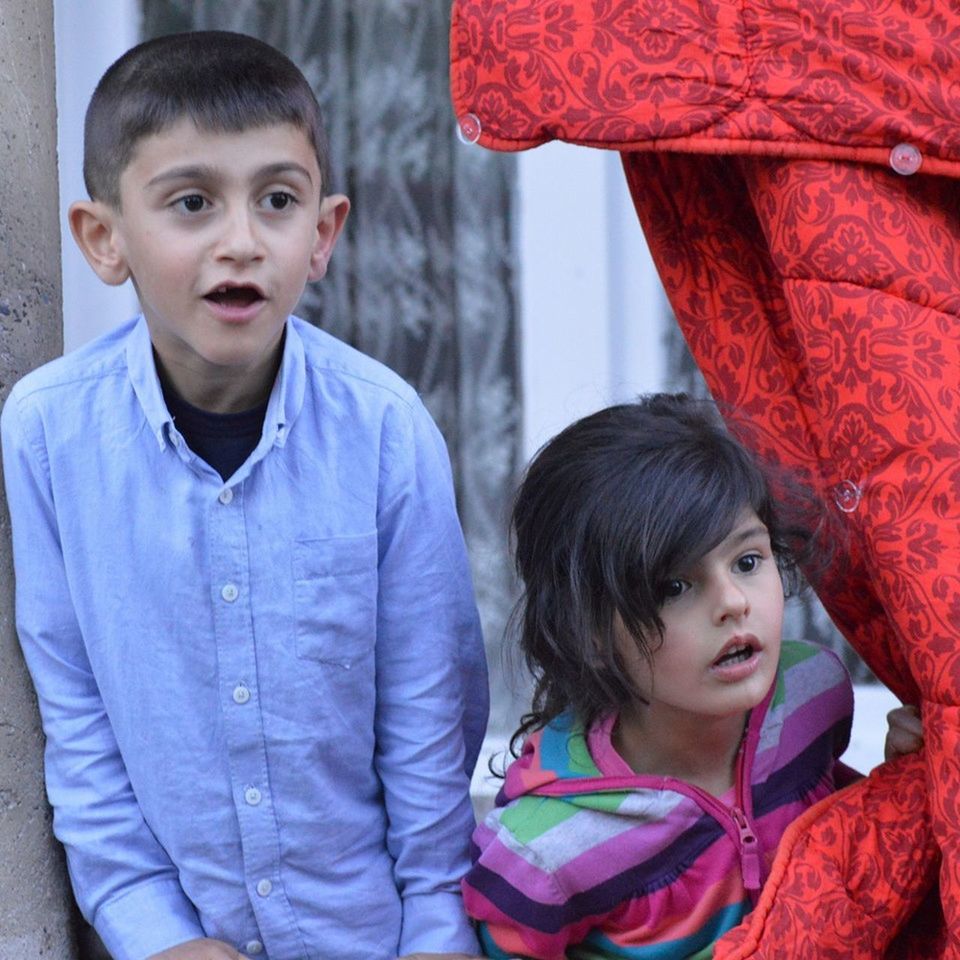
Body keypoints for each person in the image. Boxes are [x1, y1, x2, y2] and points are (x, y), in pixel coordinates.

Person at [1, 31, 488, 960]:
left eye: (277, 200)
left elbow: (431, 716)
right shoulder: (49, 435)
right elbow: (77, 722)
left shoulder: (385, 429)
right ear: (104, 240)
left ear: (323, 234)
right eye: (191, 203)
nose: (241, 241)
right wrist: (151, 930)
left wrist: (435, 931)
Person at [461, 395, 918, 960]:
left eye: (747, 561)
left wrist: (899, 781)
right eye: (674, 587)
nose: (731, 603)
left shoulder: (811, 695)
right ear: (592, 636)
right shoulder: (540, 854)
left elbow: (833, 851)